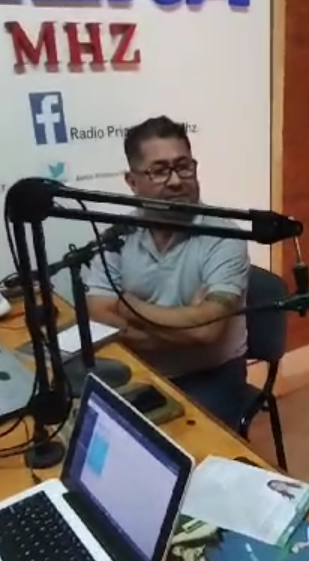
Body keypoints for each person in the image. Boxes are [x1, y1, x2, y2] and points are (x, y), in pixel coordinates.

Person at [85, 116, 249, 427]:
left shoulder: (226, 237)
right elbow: (99, 314)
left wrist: (127, 305)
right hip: (136, 365)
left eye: (183, 166)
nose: (176, 181)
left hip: (209, 375)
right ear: (132, 182)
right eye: (160, 171)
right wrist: (184, 323)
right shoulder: (119, 235)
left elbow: (205, 331)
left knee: (177, 446)